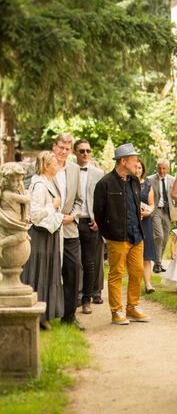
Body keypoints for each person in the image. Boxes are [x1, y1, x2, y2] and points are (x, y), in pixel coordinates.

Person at [93, 143, 151, 325]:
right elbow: (99, 213)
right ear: (123, 161)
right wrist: (108, 234)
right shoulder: (105, 183)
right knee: (116, 273)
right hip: (117, 237)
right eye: (134, 159)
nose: (136, 163)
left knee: (137, 272)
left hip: (136, 235)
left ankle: (132, 307)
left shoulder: (134, 181)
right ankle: (117, 311)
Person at [21, 152, 64, 330]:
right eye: (54, 162)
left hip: (49, 234)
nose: (58, 164)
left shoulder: (48, 182)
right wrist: (52, 206)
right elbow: (36, 214)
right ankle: (36, 315)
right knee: (39, 274)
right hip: (40, 236)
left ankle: (44, 315)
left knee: (47, 274)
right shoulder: (39, 184)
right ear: (46, 166)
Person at [52, 133, 85, 331]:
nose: (63, 152)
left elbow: (79, 200)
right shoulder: (43, 165)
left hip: (70, 227)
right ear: (54, 147)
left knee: (73, 270)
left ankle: (69, 316)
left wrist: (73, 216)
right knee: (48, 270)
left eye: (67, 149)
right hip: (48, 227)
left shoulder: (74, 169)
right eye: (60, 148)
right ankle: (44, 315)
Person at [74, 139, 105, 314]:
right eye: (81, 151)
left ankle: (87, 299)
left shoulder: (99, 173)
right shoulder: (68, 170)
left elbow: (103, 200)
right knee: (72, 263)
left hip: (91, 223)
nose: (85, 154)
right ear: (75, 153)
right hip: (72, 222)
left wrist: (99, 220)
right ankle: (73, 298)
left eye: (88, 151)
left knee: (89, 263)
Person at [147, 158, 175, 274]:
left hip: (168, 211)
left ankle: (159, 262)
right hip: (156, 210)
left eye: (164, 168)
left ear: (168, 169)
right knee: (159, 236)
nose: (162, 171)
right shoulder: (150, 179)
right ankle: (157, 263)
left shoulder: (172, 180)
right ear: (157, 168)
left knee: (165, 238)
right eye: (160, 168)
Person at [136, 160, 157, 294]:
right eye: (135, 167)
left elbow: (152, 204)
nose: (137, 170)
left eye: (139, 168)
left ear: (143, 169)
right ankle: (136, 283)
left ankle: (148, 284)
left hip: (145, 222)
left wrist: (148, 211)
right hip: (132, 222)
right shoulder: (125, 183)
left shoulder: (148, 185)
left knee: (147, 255)